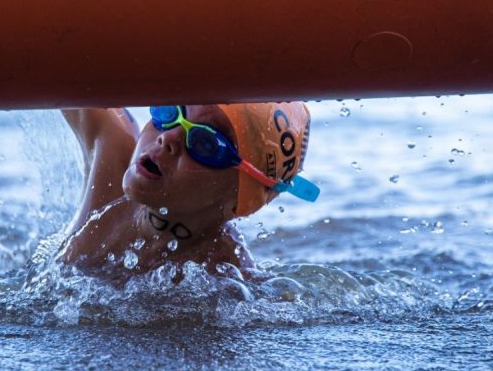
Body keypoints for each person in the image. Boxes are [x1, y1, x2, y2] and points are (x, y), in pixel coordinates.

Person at [57, 103, 317, 278]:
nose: (168, 138)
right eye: (170, 112)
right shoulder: (111, 150)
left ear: (242, 200)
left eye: (206, 143)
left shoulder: (226, 280)